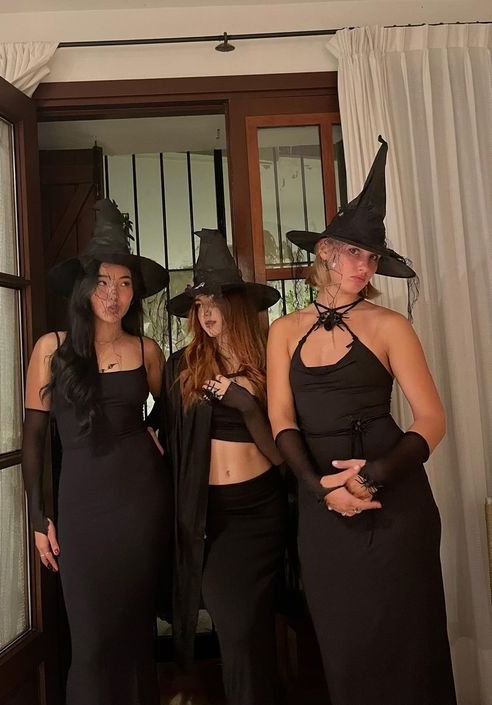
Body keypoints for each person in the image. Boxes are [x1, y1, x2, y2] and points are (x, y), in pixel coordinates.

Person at [267, 137, 457, 705]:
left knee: (408, 645)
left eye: (372, 257)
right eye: (354, 252)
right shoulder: (283, 331)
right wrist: (321, 489)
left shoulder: (390, 325)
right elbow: (280, 421)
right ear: (325, 252)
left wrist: (371, 478)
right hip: (321, 506)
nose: (363, 266)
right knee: (346, 649)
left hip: (394, 501)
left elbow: (432, 419)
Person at [21, 199, 172, 705]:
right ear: (84, 288)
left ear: (135, 292)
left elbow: (169, 414)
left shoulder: (147, 351)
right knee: (90, 642)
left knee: (134, 635)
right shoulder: (51, 348)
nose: (113, 294)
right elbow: (34, 437)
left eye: (124, 283)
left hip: (141, 505)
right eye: (103, 281)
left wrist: (152, 432)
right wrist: (38, 516)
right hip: (82, 509)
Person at [161, 229, 285, 705]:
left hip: (260, 515)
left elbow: (282, 455)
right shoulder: (183, 367)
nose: (207, 313)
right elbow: (161, 430)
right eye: (199, 305)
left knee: (250, 632)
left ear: (237, 304)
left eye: (215, 301)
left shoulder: (270, 363)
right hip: (212, 518)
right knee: (236, 630)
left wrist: (247, 405)